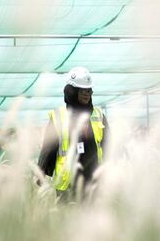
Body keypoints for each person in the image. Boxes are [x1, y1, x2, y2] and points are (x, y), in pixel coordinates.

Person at [37, 67, 108, 198]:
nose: (87, 93)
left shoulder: (99, 115)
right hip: (67, 184)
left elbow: (108, 144)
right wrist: (41, 172)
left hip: (94, 182)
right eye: (83, 90)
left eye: (89, 90)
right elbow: (48, 148)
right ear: (72, 92)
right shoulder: (58, 116)